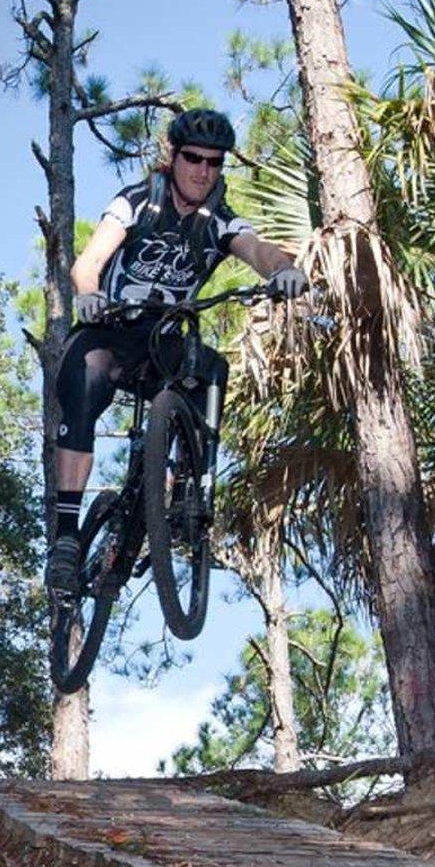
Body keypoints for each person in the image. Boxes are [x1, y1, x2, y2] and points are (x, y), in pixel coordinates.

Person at [46, 108, 308, 594]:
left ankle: (191, 489)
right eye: (193, 158)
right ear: (173, 156)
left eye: (213, 162)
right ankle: (65, 537)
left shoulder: (220, 220)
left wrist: (281, 271)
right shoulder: (137, 202)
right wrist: (87, 293)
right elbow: (89, 263)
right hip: (113, 328)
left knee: (210, 370)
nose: (202, 171)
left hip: (166, 337)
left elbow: (259, 251)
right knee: (85, 376)